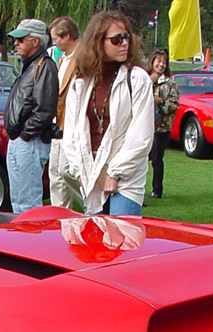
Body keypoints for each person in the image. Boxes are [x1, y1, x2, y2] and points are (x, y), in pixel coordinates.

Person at [64, 10, 153, 216]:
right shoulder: (82, 81)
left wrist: (115, 173)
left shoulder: (137, 78)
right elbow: (72, 132)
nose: (124, 43)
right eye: (116, 39)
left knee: (122, 242)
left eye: (127, 37)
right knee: (94, 243)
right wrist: (79, 171)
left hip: (125, 174)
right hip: (91, 170)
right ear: (98, 42)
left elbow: (141, 136)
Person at [4, 19, 58, 213]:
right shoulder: (30, 66)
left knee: (28, 202)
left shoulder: (44, 66)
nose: (16, 44)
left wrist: (25, 134)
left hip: (30, 141)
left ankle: (30, 239)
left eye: (21, 39)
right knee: (18, 200)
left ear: (35, 41)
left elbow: (45, 109)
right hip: (20, 140)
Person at [47, 16, 80, 208]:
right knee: (56, 174)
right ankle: (60, 218)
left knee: (67, 170)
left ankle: (94, 201)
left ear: (67, 35)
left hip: (72, 125)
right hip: (57, 124)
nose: (54, 43)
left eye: (56, 38)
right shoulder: (62, 58)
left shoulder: (83, 57)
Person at [147, 49, 179, 199]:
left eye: (164, 62)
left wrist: (160, 103)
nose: (161, 64)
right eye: (158, 61)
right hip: (144, 127)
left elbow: (174, 106)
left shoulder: (170, 84)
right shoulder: (145, 80)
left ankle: (157, 190)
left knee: (157, 158)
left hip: (161, 128)